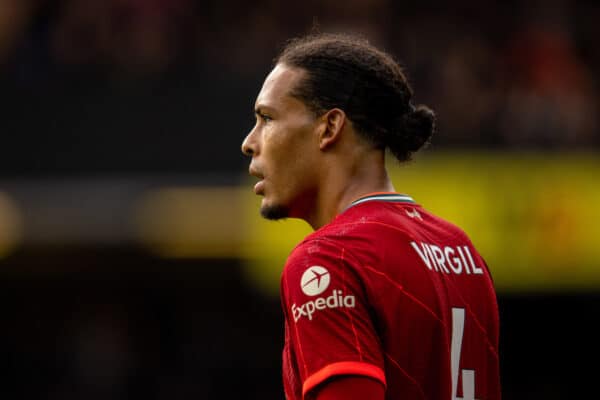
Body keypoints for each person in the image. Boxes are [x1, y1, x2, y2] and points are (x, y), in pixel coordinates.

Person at [241, 32, 500, 400]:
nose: (249, 142)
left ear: (329, 127)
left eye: (267, 118)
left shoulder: (329, 259)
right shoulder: (462, 251)